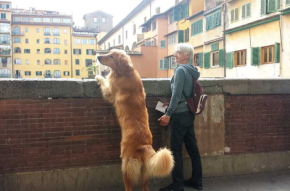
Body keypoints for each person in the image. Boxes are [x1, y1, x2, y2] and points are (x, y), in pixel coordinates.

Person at [158, 43, 203, 191]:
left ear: (187, 55)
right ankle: (197, 182)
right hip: (189, 113)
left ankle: (177, 185)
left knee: (176, 150)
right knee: (193, 149)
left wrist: (168, 114)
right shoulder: (192, 71)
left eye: (178, 52)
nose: (175, 55)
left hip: (179, 115)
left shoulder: (180, 71)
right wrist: (170, 105)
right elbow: (182, 94)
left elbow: (177, 95)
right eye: (175, 52)